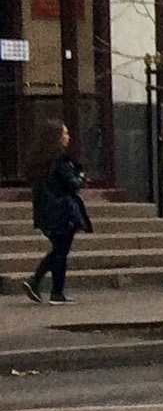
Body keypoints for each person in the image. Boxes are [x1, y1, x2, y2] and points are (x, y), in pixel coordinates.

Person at [25, 122, 88, 304]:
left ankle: (44, 285)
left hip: (46, 211)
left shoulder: (40, 161)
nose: (68, 137)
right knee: (60, 251)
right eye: (65, 133)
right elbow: (72, 183)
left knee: (58, 250)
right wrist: (81, 178)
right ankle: (50, 288)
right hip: (62, 211)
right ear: (57, 137)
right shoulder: (59, 160)